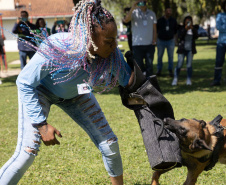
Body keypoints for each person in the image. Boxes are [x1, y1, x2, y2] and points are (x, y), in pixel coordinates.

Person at [0, 0, 134, 184]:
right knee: (27, 152)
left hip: (77, 94)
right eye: (109, 42)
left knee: (110, 144)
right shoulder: (59, 47)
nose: (113, 47)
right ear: (89, 37)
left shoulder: (112, 55)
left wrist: (140, 87)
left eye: (115, 40)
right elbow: (24, 82)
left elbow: (132, 84)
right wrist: (41, 124)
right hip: (41, 90)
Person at [123, 0, 157, 77]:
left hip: (149, 44)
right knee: (139, 66)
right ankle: (141, 84)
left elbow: (155, 29)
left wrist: (154, 40)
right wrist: (133, 7)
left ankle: (150, 83)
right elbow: (126, 20)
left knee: (149, 66)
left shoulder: (152, 14)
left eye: (144, 1)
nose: (142, 2)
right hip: (137, 44)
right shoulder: (134, 13)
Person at [172, 16, 198, 86]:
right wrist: (185, 29)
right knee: (179, 64)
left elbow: (196, 36)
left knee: (189, 65)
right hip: (182, 49)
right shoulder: (181, 28)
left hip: (190, 50)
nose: (188, 23)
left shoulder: (194, 28)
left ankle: (189, 79)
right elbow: (180, 36)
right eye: (187, 21)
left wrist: (192, 29)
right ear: (184, 22)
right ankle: (175, 78)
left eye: (189, 21)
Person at [156, 7, 177, 77]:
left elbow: (175, 31)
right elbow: (156, 30)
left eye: (170, 11)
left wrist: (175, 40)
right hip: (161, 40)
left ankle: (170, 70)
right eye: (167, 11)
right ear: (165, 11)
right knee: (159, 56)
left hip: (170, 41)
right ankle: (159, 70)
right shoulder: (160, 20)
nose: (169, 12)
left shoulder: (173, 20)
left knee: (170, 56)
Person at [211, 0, 226, 86]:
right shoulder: (219, 15)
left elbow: (222, 27)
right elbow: (218, 27)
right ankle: (217, 80)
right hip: (221, 42)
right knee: (219, 62)